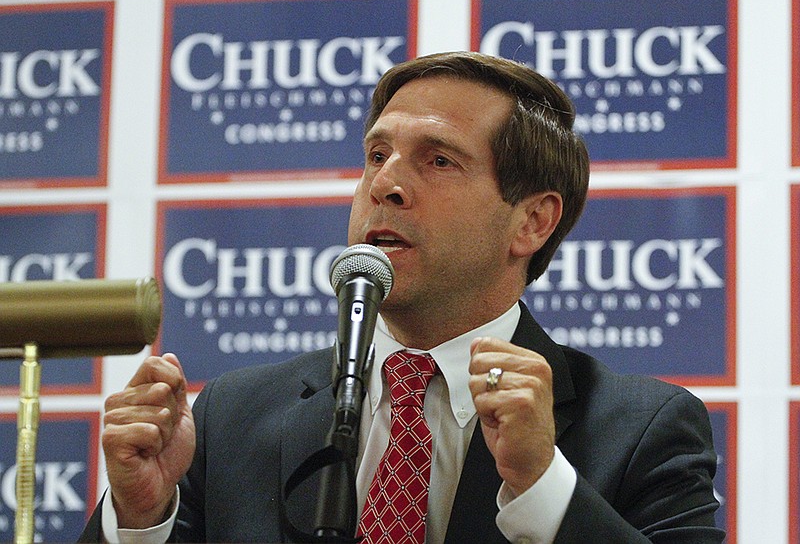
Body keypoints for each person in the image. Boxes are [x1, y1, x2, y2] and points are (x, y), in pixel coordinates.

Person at [80, 51, 724, 543]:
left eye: (438, 160)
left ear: (531, 222)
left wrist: (540, 487)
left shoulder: (642, 430)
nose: (385, 183)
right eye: (377, 154)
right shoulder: (231, 418)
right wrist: (140, 518)